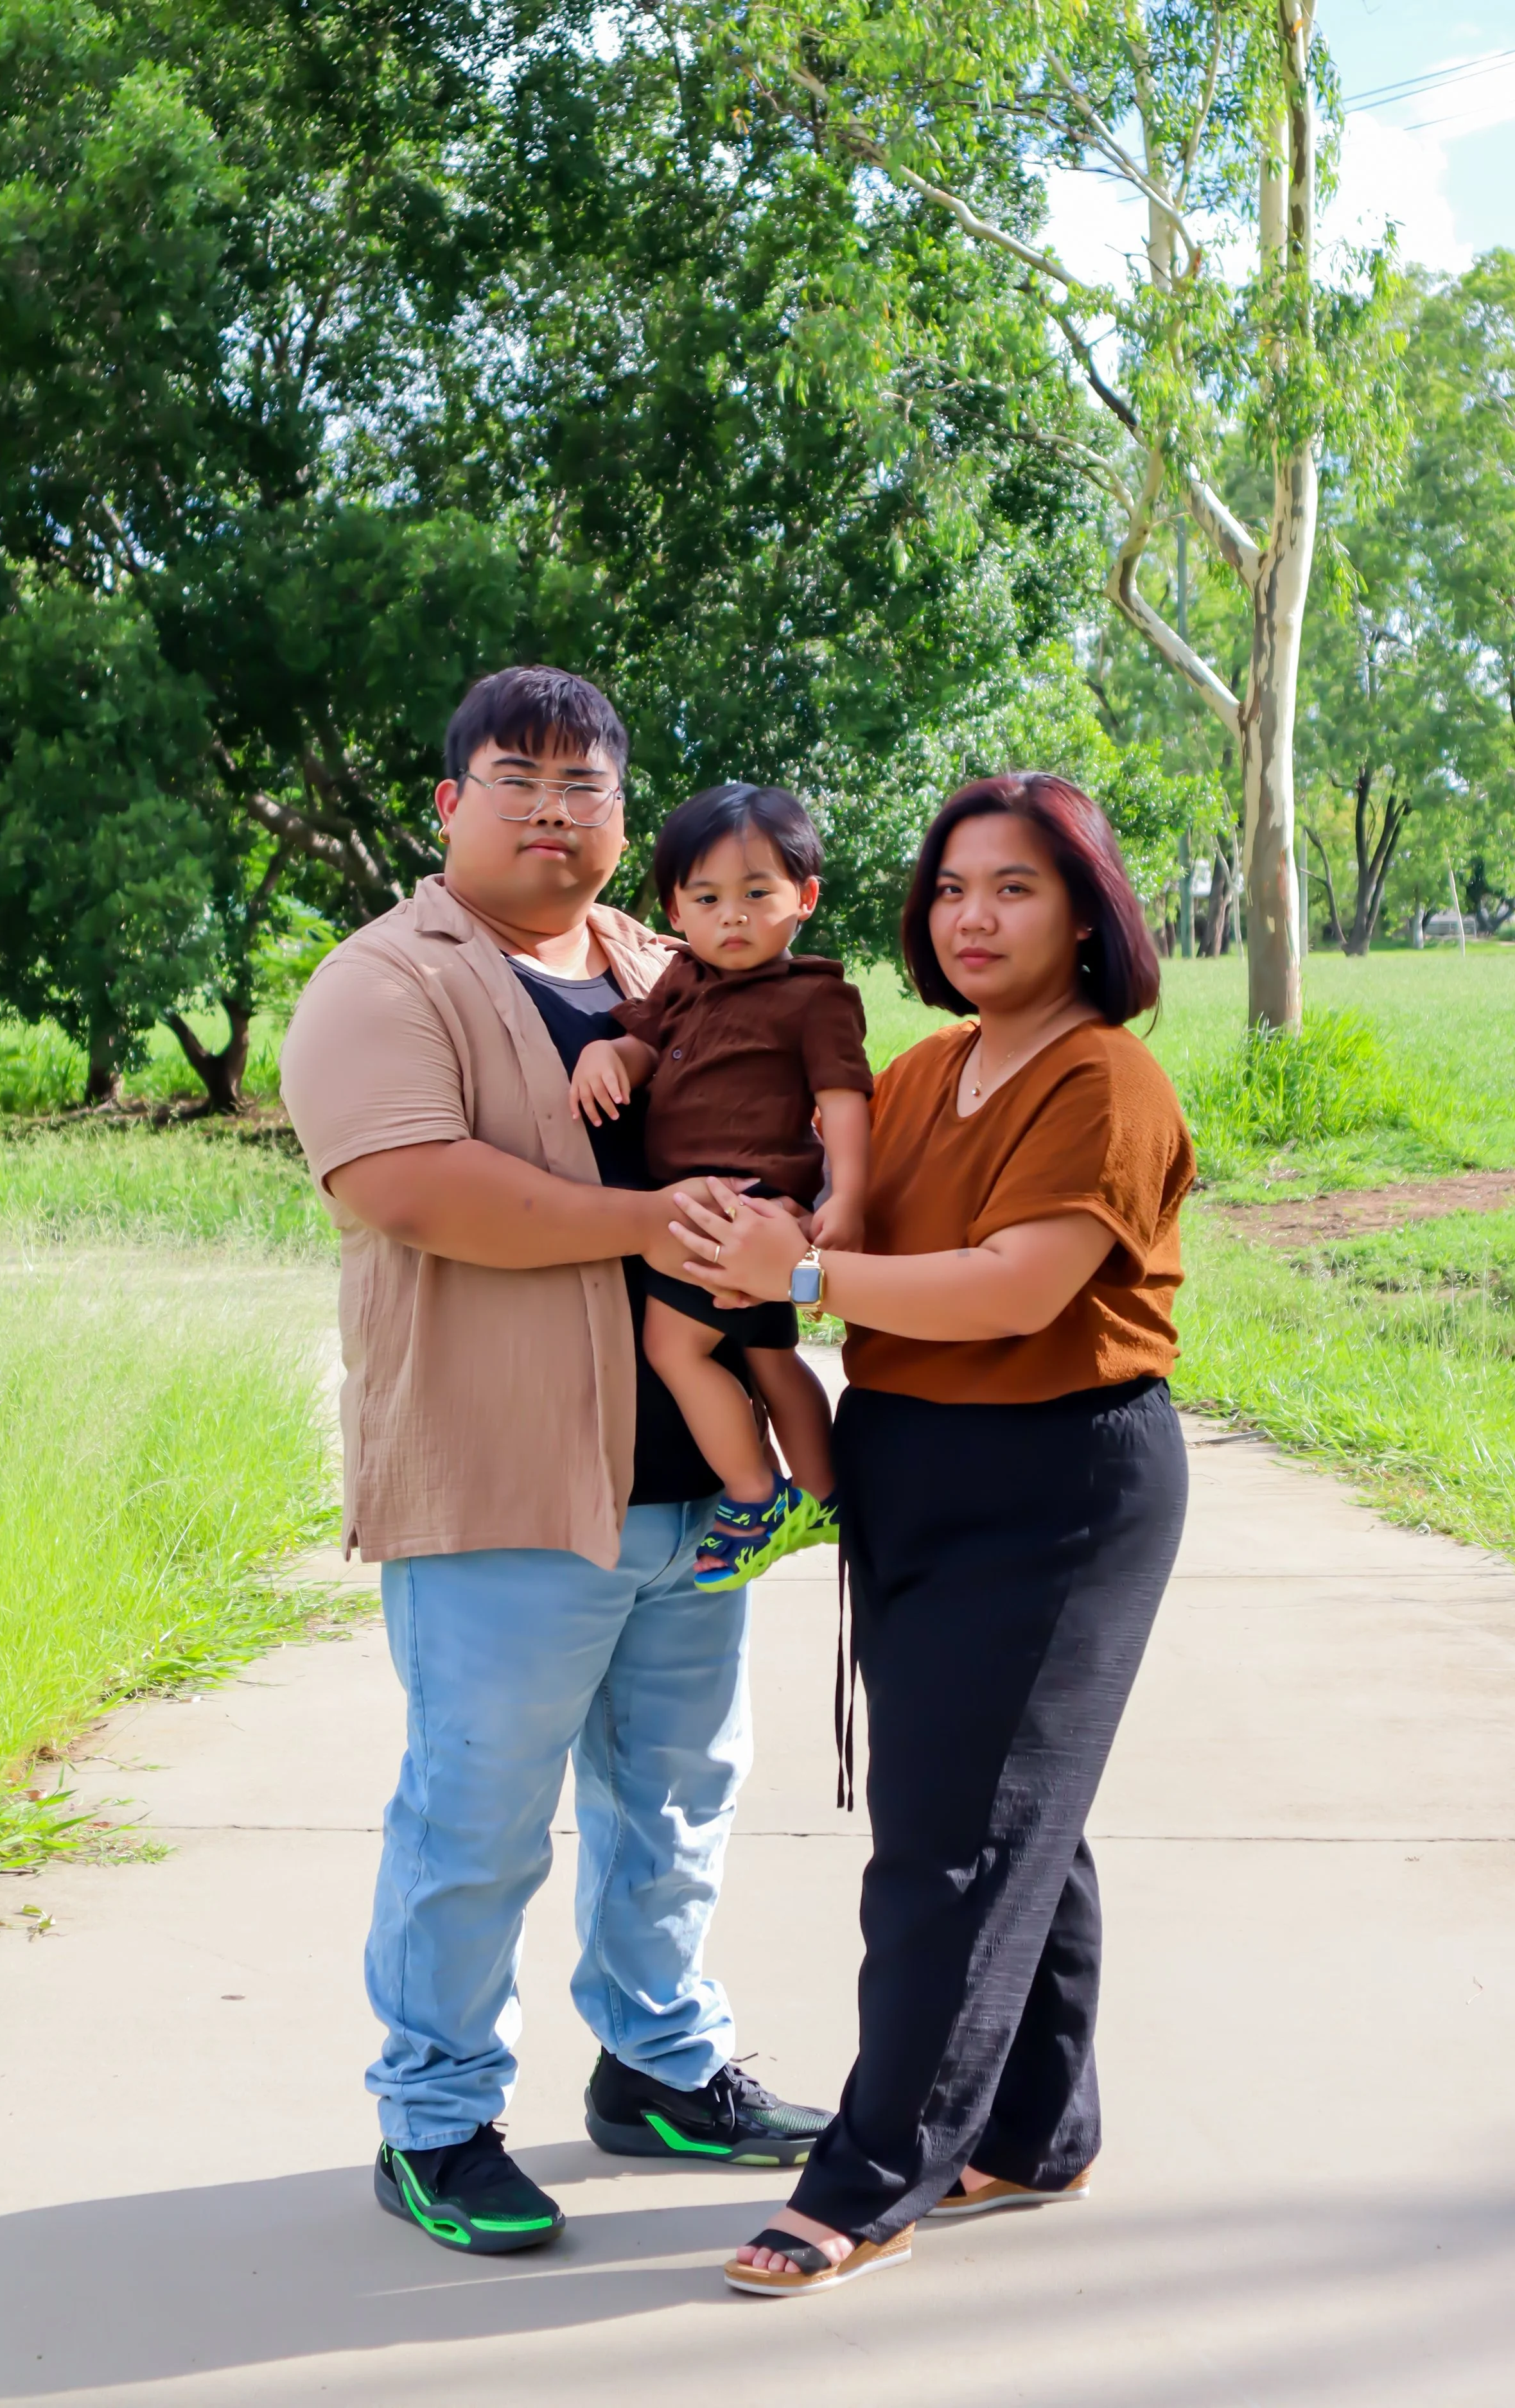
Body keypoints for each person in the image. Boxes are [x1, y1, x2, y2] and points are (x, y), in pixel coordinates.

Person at [279, 667, 830, 2263]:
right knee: (481, 1815)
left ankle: (658, 2064)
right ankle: (436, 2113)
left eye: (587, 786)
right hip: (508, 1483)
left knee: (678, 1793)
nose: (553, 810)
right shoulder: (387, 978)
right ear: (448, 805)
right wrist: (663, 1219)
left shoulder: (675, 960)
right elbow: (417, 1185)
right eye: (516, 780)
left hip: (692, 1484)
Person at [665, 772, 1195, 2299]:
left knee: (948, 1843)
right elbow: (841, 1233)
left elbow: (1017, 1285)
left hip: (1058, 1481)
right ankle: (1035, 2127)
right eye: (954, 885)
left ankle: (872, 2168)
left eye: (1015, 886)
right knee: (1015, 1812)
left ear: (1086, 910)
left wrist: (807, 1282)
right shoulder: (919, 1072)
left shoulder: (1105, 1081)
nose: (974, 914)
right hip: (915, 1461)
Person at [568, 782, 873, 1590]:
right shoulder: (682, 982)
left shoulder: (815, 997)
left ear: (804, 898)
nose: (730, 916)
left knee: (673, 1346)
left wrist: (846, 1195)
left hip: (736, 1208)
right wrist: (610, 1057)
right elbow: (643, 1040)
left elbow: (843, 1100)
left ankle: (754, 1494)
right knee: (767, 1356)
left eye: (756, 893)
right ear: (675, 908)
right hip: (707, 1208)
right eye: (707, 897)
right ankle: (826, 1490)